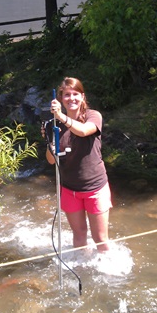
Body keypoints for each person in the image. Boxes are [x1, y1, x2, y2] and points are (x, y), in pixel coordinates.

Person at [43, 77, 112, 252]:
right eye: (67, 95)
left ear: (82, 96)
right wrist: (49, 139)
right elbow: (51, 160)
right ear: (60, 98)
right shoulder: (54, 125)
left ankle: (108, 274)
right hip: (69, 189)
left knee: (100, 239)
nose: (71, 98)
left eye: (75, 94)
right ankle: (82, 269)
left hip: (95, 187)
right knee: (79, 234)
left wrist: (60, 116)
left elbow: (82, 131)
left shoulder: (93, 116)